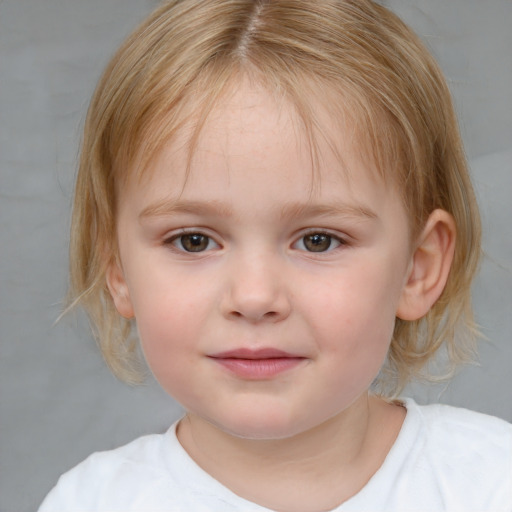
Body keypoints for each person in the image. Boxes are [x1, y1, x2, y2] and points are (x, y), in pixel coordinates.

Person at [38, 0, 512, 510]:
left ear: (417, 268)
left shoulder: (491, 482)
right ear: (117, 266)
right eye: (193, 240)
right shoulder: (93, 501)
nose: (255, 297)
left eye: (318, 240)